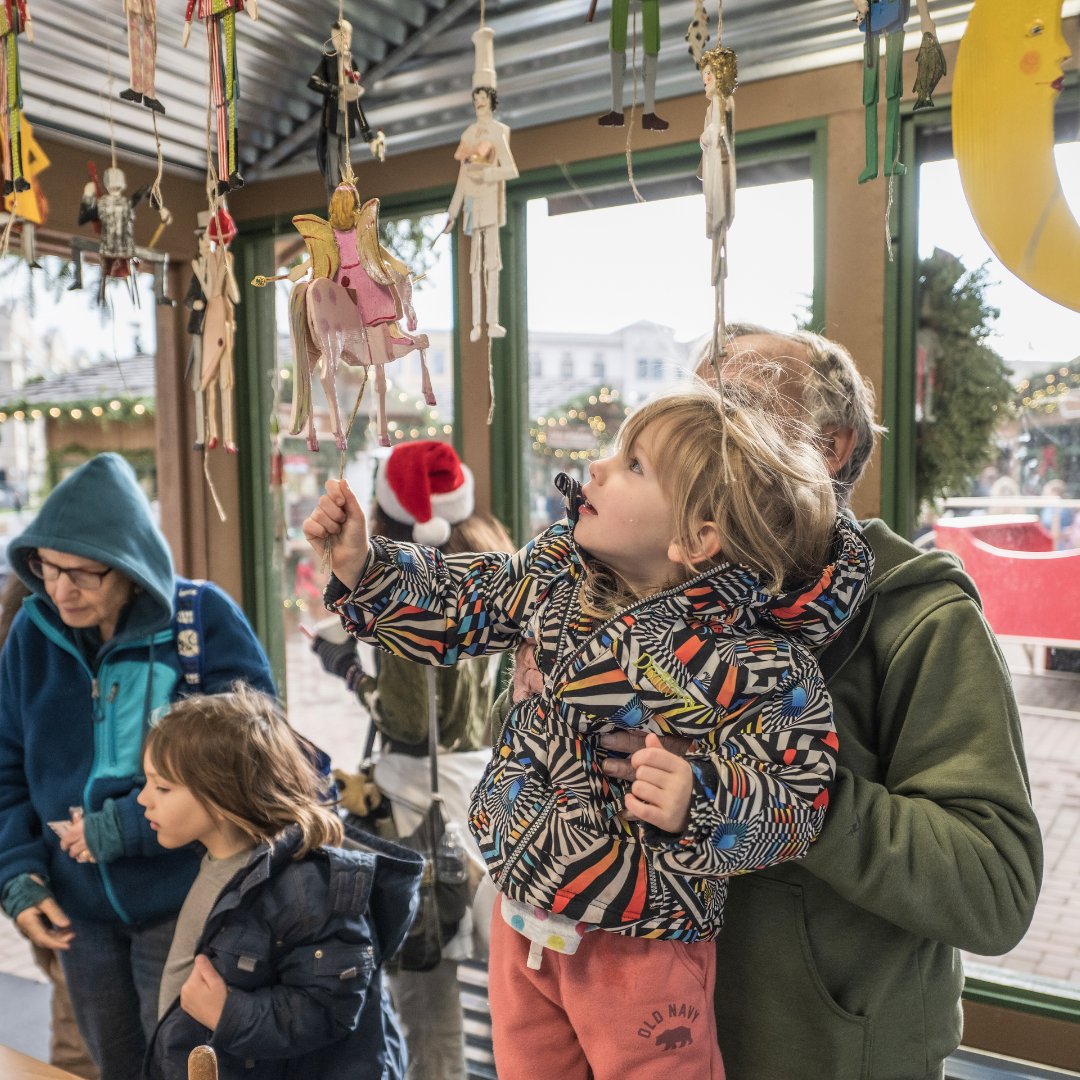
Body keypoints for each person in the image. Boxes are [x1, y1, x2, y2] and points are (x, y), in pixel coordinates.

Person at [304, 382, 874, 1077]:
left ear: (695, 538)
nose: (596, 468)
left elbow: (798, 795)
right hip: (523, 911)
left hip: (643, 939)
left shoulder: (754, 660)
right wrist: (365, 568)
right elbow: (461, 598)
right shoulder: (554, 576)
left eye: (634, 465)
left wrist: (699, 796)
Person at [603, 326, 1043, 1079]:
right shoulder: (652, 593)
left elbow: (992, 888)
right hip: (649, 1048)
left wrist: (786, 798)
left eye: (736, 405)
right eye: (695, 407)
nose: (705, 434)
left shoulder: (920, 620)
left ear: (832, 447)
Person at [0, 452, 275, 1080]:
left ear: (128, 567)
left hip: (186, 899)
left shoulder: (203, 620)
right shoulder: (32, 633)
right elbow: (6, 768)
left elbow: (252, 757)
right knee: (111, 1065)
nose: (60, 590)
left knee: (184, 1064)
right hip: (77, 913)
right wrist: (17, 873)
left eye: (82, 574)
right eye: (47, 568)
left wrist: (125, 827)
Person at [312, 440, 514, 1080]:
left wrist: (346, 667)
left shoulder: (406, 585)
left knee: (426, 994)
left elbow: (404, 717)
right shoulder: (492, 559)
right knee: (510, 995)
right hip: (484, 793)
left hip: (416, 809)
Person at [139, 683, 422, 1080]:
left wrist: (228, 1014)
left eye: (162, 787)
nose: (143, 799)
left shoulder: (306, 888)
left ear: (221, 797)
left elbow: (330, 1008)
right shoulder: (215, 861)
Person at [0, 574, 98, 1080]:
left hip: (95, 888)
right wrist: (18, 876)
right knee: (79, 1034)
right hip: (61, 892)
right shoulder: (23, 656)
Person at [442, 27, 519, 343]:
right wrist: (452, 213)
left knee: (492, 264)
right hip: (473, 203)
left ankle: (492, 320)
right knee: (474, 266)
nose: (479, 103)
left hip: (490, 201)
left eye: (483, 98)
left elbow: (510, 169)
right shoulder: (468, 135)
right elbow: (462, 178)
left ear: (491, 100)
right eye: (475, 99)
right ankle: (476, 323)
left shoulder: (499, 132)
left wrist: (487, 175)